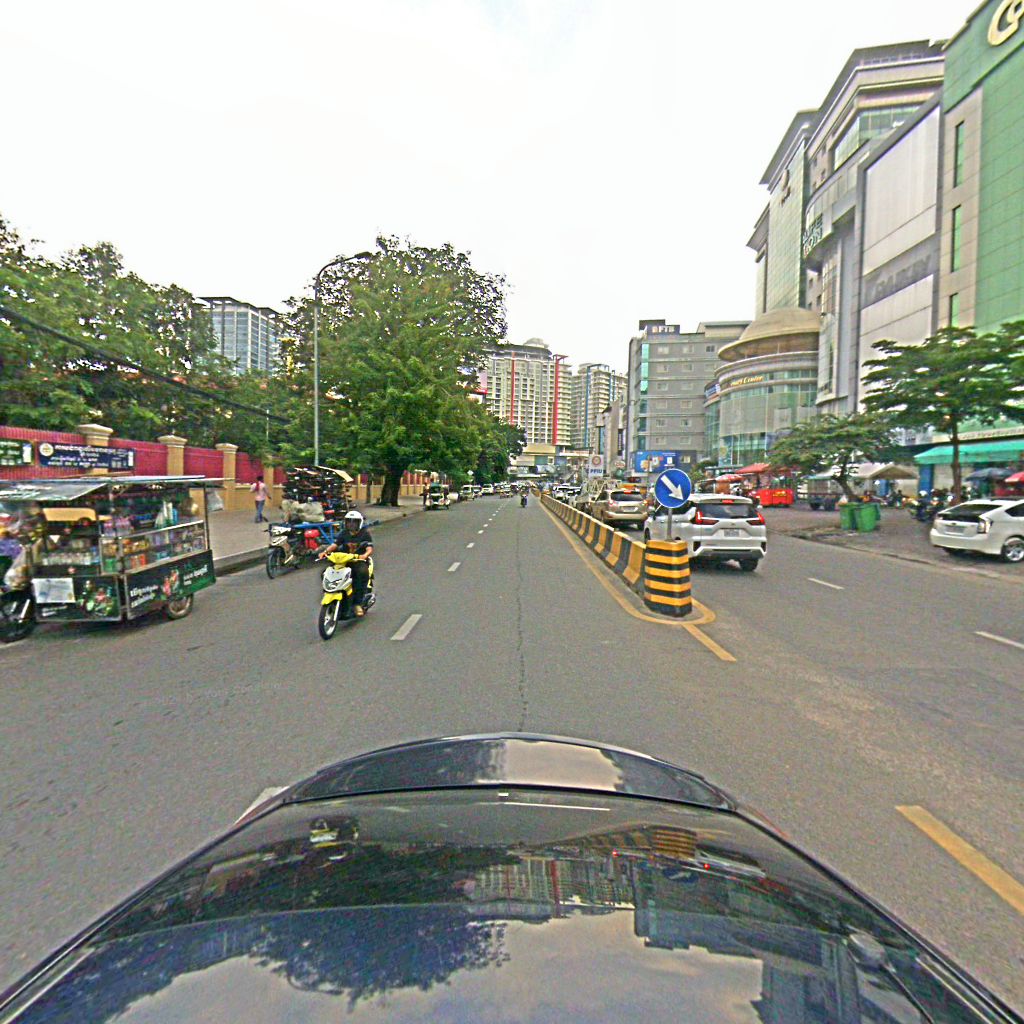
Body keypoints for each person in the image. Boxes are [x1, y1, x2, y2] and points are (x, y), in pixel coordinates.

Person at [321, 510, 374, 615]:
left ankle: (357, 603)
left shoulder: (364, 534)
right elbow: (335, 544)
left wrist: (364, 555)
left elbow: (369, 548)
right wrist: (325, 552)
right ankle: (332, 592)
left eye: (354, 522)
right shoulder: (344, 533)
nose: (351, 524)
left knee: (360, 574)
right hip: (344, 560)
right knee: (326, 573)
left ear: (359, 523)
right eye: (349, 521)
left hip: (358, 561)